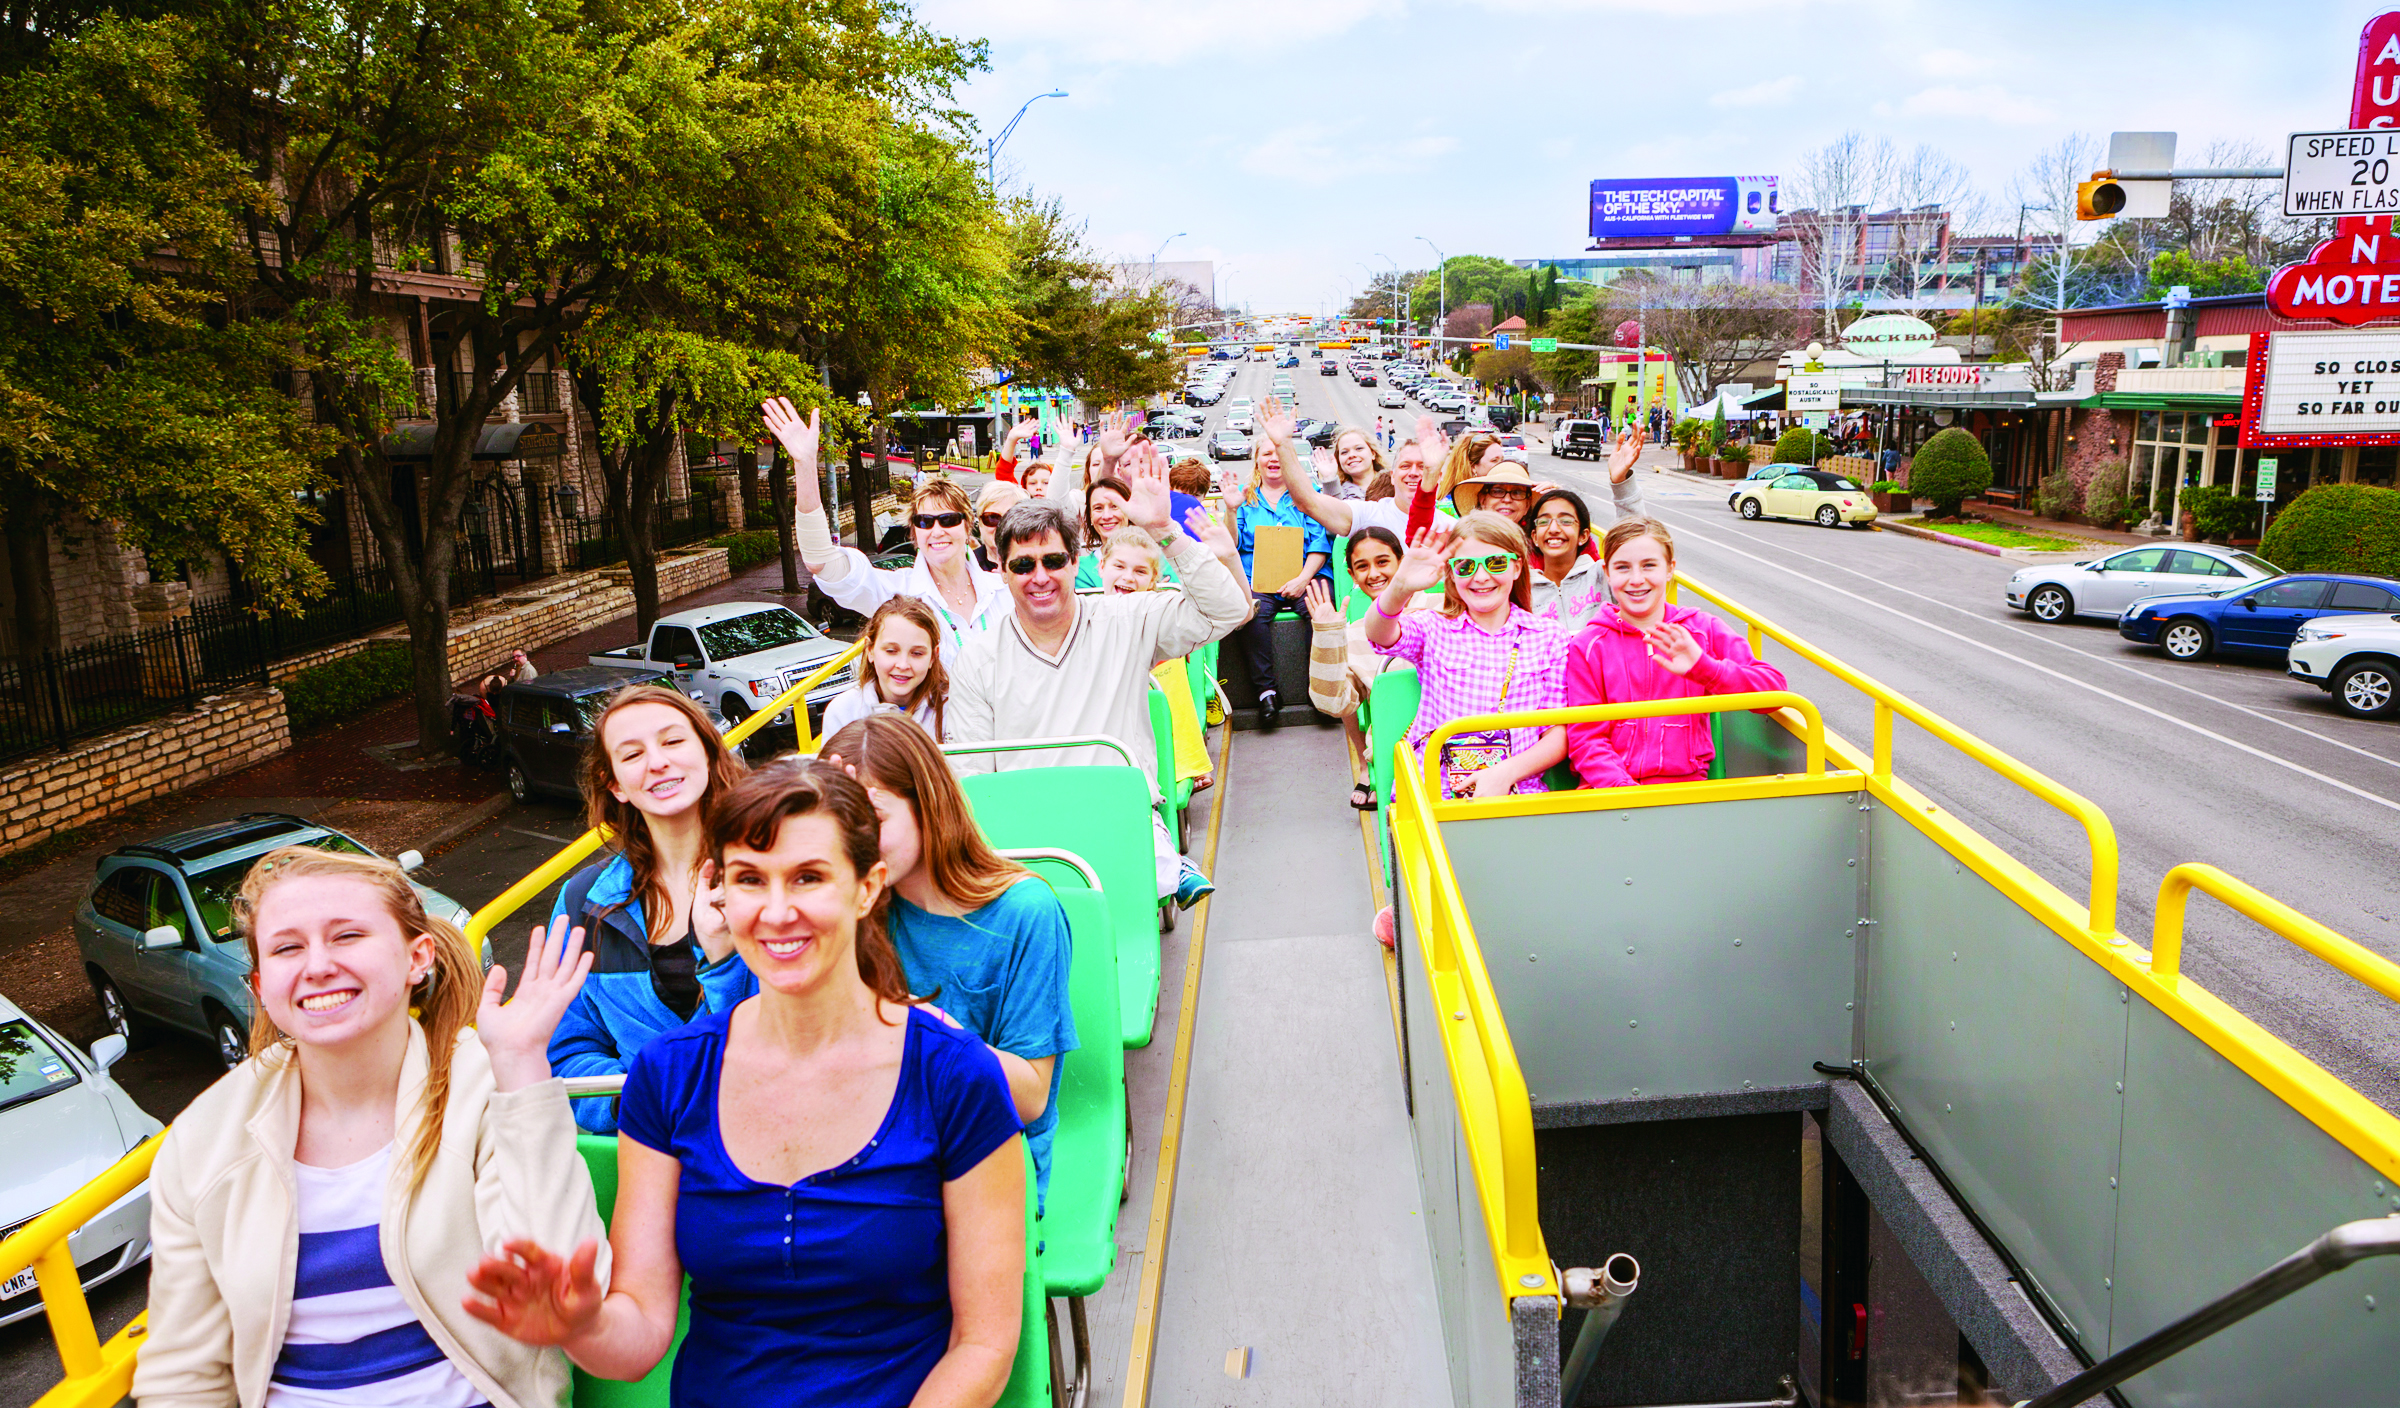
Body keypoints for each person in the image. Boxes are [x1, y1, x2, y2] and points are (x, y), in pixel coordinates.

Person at [468, 762, 1026, 1408]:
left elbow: (984, 1345)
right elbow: (640, 1333)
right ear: (720, 895)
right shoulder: (671, 1075)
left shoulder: (952, 1075)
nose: (777, 911)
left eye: (809, 878)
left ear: (868, 887)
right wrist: (579, 1325)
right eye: (750, 881)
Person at [136, 846, 605, 1408]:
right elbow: (184, 1376)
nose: (317, 965)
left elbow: (569, 1291)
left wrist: (524, 1073)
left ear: (418, 958)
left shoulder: (486, 1085)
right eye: (288, 948)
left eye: (347, 936)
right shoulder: (206, 1139)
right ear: (261, 987)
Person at [948, 456, 1251, 908]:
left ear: (1075, 562)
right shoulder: (978, 659)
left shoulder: (1127, 619)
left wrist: (1166, 532)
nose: (1040, 577)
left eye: (1053, 560)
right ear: (1002, 570)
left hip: (1118, 822)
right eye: (1023, 565)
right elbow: (971, 775)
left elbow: (1227, 610)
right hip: (1027, 838)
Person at [819, 715, 1076, 1202]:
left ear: (928, 805)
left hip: (976, 1169)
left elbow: (1029, 1096)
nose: (856, 843)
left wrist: (912, 1026)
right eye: (836, 825)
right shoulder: (845, 911)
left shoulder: (1024, 914)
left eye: (871, 819)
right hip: (859, 1160)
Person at [547, 686, 753, 1134]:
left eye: (673, 741)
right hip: (646, 1151)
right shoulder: (583, 902)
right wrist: (633, 1103)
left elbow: (804, 1026)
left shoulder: (772, 874)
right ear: (616, 784)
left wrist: (725, 958)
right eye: (632, 753)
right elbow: (566, 1050)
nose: (657, 761)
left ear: (708, 750)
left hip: (764, 1139)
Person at [763, 398, 1012, 659]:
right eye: (925, 522)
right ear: (914, 533)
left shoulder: (1002, 589)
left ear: (967, 524)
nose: (937, 530)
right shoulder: (897, 594)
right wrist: (805, 465)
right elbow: (821, 562)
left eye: (948, 519)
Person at [1565, 518, 1788, 789]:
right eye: (1623, 567)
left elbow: (1774, 691)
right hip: (1609, 792)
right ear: (1607, 573)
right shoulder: (1589, 644)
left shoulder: (1703, 630)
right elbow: (1586, 737)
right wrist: (1624, 791)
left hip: (1684, 787)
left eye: (1649, 565)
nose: (1637, 580)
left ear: (1670, 569)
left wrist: (1706, 669)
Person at [1365, 512, 1570, 800]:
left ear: (1517, 567)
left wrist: (1505, 773)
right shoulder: (1434, 627)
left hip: (1515, 789)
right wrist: (1399, 587)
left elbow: (1556, 734)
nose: (1481, 576)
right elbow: (1379, 633)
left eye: (1496, 563)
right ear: (1450, 573)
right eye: (1465, 566)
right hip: (1436, 791)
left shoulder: (1549, 636)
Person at [1094, 528, 1216, 791]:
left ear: (1152, 580)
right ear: (1102, 567)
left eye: (1139, 571)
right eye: (1119, 566)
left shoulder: (1158, 618)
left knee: (1166, 671)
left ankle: (1184, 762)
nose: (1127, 577)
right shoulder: (1086, 616)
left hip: (1146, 691)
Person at [1304, 527, 1415, 810]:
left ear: (1401, 562)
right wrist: (1327, 634)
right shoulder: (1355, 634)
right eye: (1362, 566)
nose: (1374, 574)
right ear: (1352, 576)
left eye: (1382, 562)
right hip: (1396, 753)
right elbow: (1334, 703)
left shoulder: (1439, 609)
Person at [1233, 432, 1332, 731]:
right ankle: (1267, 693)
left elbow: (1319, 543)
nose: (1274, 459)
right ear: (1257, 461)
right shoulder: (1242, 496)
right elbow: (1232, 544)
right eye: (1267, 453)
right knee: (1250, 614)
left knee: (1322, 612)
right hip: (1258, 579)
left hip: (1305, 575)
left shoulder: (1308, 493)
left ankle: (1322, 689)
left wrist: (1303, 579)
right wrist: (1228, 509)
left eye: (1280, 453)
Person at [821, 596, 951, 741]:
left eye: (917, 653)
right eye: (891, 651)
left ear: (933, 657)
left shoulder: (953, 708)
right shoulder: (843, 711)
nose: (903, 665)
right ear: (870, 650)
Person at [1526, 488, 1610, 630]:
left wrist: (1622, 485)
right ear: (1534, 537)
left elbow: (1634, 539)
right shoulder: (1524, 591)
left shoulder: (1602, 576)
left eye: (1565, 521)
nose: (1553, 529)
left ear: (1583, 536)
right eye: (1543, 522)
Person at [1329, 425, 1385, 501]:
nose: (1351, 455)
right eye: (1344, 452)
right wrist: (1329, 480)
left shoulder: (1396, 484)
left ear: (1373, 454)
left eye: (1359, 448)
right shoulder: (1336, 494)